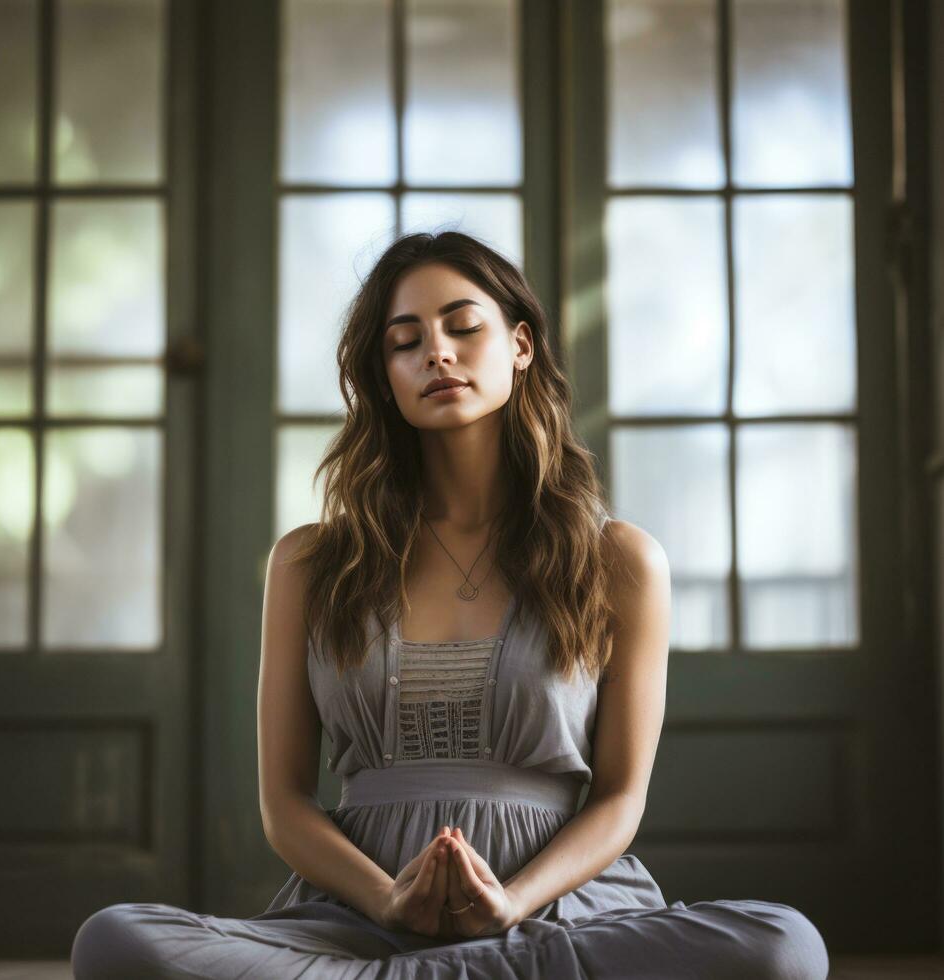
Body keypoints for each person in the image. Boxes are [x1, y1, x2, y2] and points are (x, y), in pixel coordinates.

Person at [71, 230, 830, 978]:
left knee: (782, 946)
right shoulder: (311, 562)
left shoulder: (619, 561)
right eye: (406, 342)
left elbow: (621, 797)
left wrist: (511, 904)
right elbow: (285, 805)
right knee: (116, 941)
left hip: (557, 922)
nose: (436, 352)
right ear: (385, 376)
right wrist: (388, 901)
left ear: (521, 346)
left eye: (463, 327)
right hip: (356, 926)